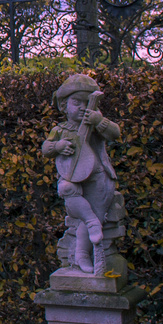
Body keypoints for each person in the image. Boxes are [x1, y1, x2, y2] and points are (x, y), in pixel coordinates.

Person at [41, 73, 126, 273]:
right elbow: (46, 148)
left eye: (87, 103)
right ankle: (91, 221)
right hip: (72, 175)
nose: (81, 107)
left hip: (98, 177)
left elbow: (115, 133)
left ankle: (81, 255)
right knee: (66, 188)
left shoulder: (94, 124)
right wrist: (59, 146)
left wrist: (99, 120)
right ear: (64, 106)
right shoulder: (61, 128)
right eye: (76, 102)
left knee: (95, 213)